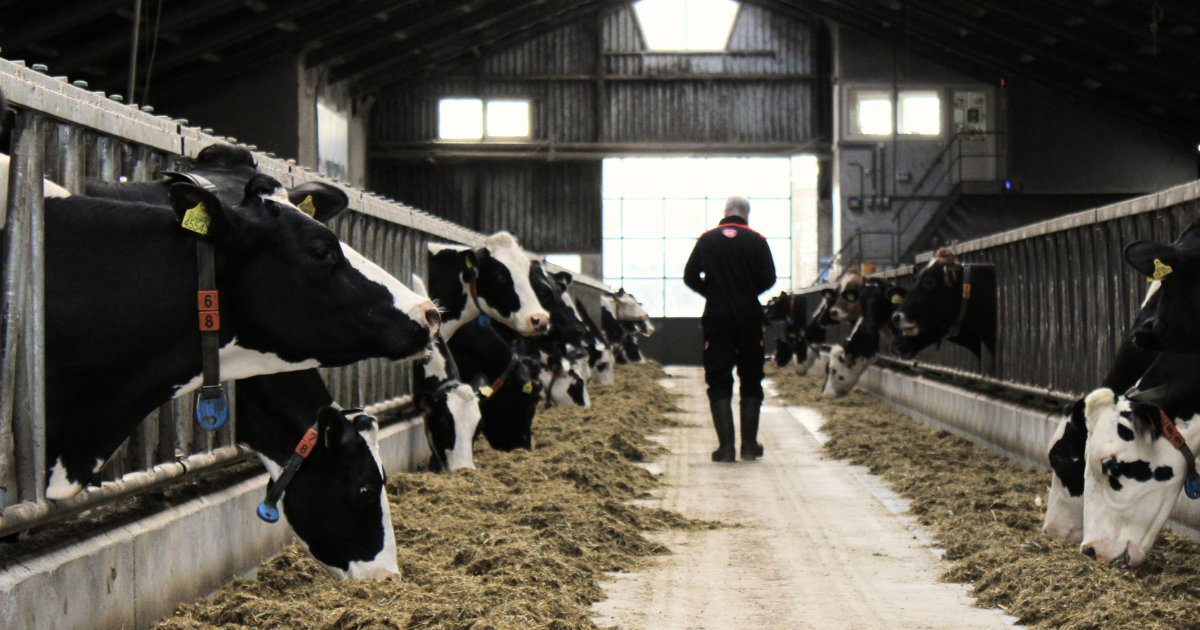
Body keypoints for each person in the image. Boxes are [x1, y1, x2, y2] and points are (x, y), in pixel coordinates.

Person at [683, 196, 776, 462]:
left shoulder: (707, 239)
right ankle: (749, 446)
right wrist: (747, 293)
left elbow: (689, 276)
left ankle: (726, 448)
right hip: (749, 316)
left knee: (719, 377)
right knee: (751, 376)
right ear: (746, 214)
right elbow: (769, 277)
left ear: (725, 213)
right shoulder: (757, 240)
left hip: (717, 316)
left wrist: (714, 293)